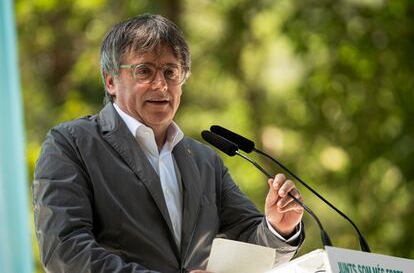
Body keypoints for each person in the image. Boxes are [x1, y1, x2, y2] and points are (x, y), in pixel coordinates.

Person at [33, 14, 305, 273]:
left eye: (171, 72)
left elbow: (252, 246)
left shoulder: (204, 160)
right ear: (111, 80)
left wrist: (278, 228)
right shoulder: (70, 145)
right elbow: (65, 254)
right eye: (144, 71)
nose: (161, 85)